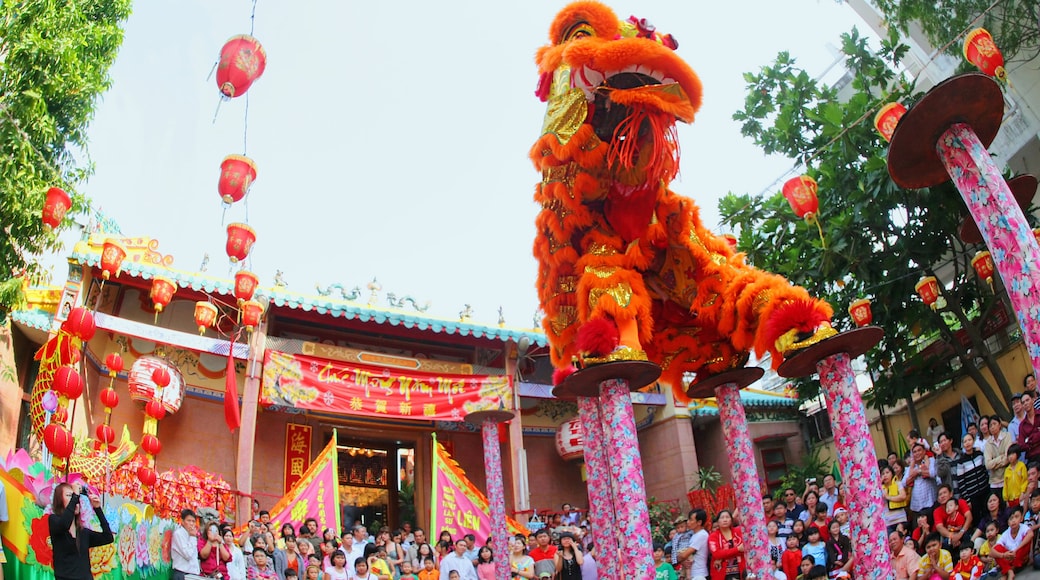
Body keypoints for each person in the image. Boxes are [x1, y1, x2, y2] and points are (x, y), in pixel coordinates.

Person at [48, 482, 114, 580]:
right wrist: (75, 496)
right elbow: (64, 524)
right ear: (59, 500)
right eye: (69, 495)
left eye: (76, 497)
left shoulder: (83, 532)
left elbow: (108, 537)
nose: (75, 499)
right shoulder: (54, 520)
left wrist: (97, 509)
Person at [956, 433, 992, 525]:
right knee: (978, 519)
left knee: (989, 514)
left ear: (973, 441)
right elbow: (961, 482)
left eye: (969, 440)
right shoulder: (961, 462)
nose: (967, 443)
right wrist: (967, 500)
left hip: (985, 491)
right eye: (965, 441)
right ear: (963, 444)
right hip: (973, 496)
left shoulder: (980, 454)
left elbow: (985, 471)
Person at [993, 506, 1032, 578]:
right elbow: (991, 552)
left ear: (1021, 519)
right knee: (997, 549)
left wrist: (1016, 550)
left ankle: (1007, 572)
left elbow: (1031, 534)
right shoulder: (1005, 533)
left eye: (1016, 517)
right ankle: (1010, 572)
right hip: (1009, 558)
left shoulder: (1023, 527)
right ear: (1008, 522)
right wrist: (1003, 555)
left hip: (1020, 557)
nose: (1013, 520)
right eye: (1011, 518)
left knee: (1026, 538)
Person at [707, 510, 745, 580]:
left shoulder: (739, 531)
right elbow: (717, 554)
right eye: (722, 518)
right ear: (718, 522)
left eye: (727, 517)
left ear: (731, 520)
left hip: (741, 571)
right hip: (721, 573)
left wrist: (723, 557)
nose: (725, 520)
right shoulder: (713, 536)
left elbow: (745, 548)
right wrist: (737, 549)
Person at [908, 442, 940, 524]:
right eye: (914, 452)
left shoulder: (931, 460)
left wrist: (918, 471)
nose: (917, 453)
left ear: (924, 451)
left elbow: (932, 473)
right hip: (916, 505)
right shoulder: (912, 465)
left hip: (930, 502)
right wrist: (913, 469)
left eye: (919, 450)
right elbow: (905, 482)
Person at [984, 414, 1012, 496]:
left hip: (1007, 476)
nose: (992, 427)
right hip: (994, 481)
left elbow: (1008, 458)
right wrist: (1001, 457)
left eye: (994, 424)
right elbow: (988, 465)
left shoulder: (1007, 436)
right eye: (990, 425)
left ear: (1000, 425)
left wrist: (994, 462)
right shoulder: (988, 444)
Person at [172, 508, 201, 580]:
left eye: (193, 521)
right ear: (182, 521)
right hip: (182, 574)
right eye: (189, 520)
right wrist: (193, 537)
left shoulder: (191, 534)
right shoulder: (178, 534)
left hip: (192, 574)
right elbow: (188, 554)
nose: (191, 524)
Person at [882, 465, 910, 532]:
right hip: (888, 521)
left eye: (887, 472)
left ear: (892, 473)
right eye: (883, 474)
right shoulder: (880, 488)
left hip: (900, 519)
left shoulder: (898, 484)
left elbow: (903, 496)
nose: (885, 475)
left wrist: (888, 497)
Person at [1017, 392, 1040, 463]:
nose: (1025, 403)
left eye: (1027, 400)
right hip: (1032, 458)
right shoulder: (1022, 425)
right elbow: (1021, 446)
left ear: (1033, 400)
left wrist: (1029, 440)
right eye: (1023, 402)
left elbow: (1025, 444)